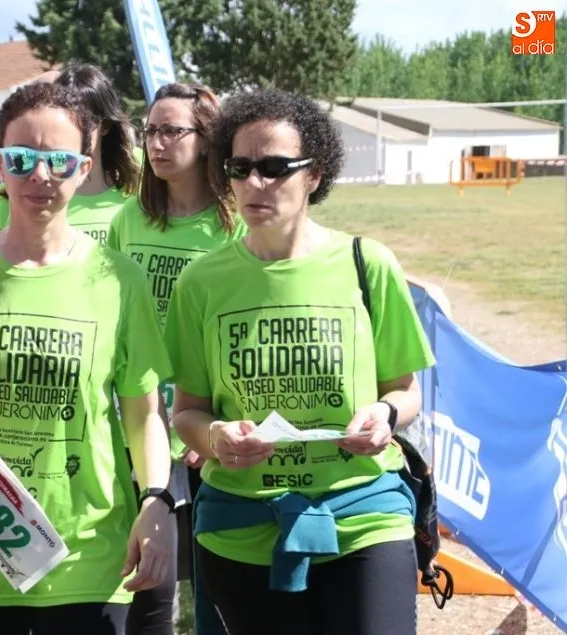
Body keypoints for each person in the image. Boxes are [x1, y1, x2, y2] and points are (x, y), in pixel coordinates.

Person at [0, 81, 176, 635]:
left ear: (83, 168)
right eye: (21, 159)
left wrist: (157, 500)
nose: (40, 175)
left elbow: (144, 416)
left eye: (58, 161)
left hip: (90, 555)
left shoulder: (121, 279)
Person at [163, 87, 436, 634]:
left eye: (274, 167)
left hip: (364, 510)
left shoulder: (368, 264)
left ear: (314, 174)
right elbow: (186, 412)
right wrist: (216, 437)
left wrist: (385, 416)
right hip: (242, 524)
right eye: (239, 168)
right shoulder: (200, 283)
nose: (254, 183)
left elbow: (406, 391)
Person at [106, 81, 246, 633]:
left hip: (207, 419)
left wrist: (198, 423)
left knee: (215, 585)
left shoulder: (234, 223)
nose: (157, 144)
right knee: (146, 576)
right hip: (140, 416)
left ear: (206, 137)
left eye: (171, 130)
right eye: (150, 131)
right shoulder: (129, 220)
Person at [0, 63, 141, 246]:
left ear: (106, 125)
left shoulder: (137, 193)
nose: (78, 129)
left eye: (88, 120)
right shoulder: (11, 200)